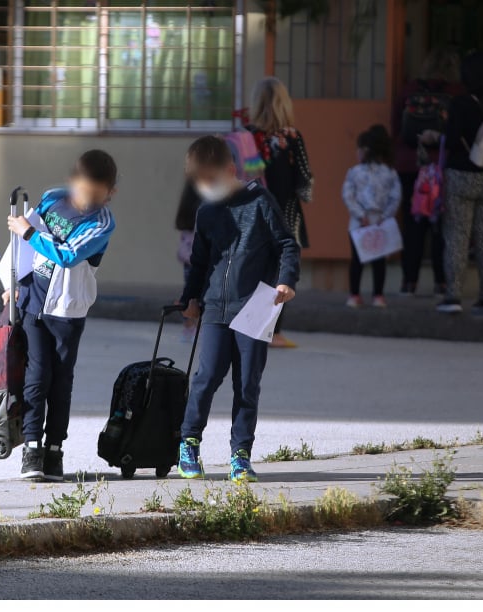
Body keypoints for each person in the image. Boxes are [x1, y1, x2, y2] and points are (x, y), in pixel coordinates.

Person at [177, 135, 300, 482]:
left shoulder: (260, 200)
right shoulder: (207, 211)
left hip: (256, 304)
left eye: (211, 179)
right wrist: (190, 298)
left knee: (247, 382)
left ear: (230, 170)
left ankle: (240, 455)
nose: (205, 187)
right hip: (216, 306)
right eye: (199, 182)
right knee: (206, 376)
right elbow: (198, 262)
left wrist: (286, 280)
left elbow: (287, 244)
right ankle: (188, 442)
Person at [6, 150, 118, 482]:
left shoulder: (101, 223)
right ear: (74, 182)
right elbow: (21, 243)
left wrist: (27, 232)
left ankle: (55, 450)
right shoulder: (53, 198)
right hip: (32, 301)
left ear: (109, 192)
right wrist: (10, 281)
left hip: (67, 310)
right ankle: (31, 448)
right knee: (36, 378)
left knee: (60, 383)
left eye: (97, 195)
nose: (88, 200)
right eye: (84, 191)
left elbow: (67, 256)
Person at [438, 52, 483, 314]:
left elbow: (449, 139)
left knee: (457, 236)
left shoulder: (459, 104)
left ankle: (453, 297)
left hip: (462, 176)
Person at [392, 48, 463, 296]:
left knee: (412, 224)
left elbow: (395, 125)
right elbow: (458, 132)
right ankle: (441, 282)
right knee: (442, 225)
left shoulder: (409, 89)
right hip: (442, 167)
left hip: (410, 164)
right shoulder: (455, 93)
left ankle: (408, 283)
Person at [249, 76, 312, 348]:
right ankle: (272, 331)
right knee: (282, 274)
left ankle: (247, 326)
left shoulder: (247, 135)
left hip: (251, 215)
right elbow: (305, 181)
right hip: (286, 214)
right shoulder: (292, 137)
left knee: (251, 271)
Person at [341, 125, 402, 308]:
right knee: (379, 261)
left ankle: (354, 295)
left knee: (356, 260)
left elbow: (347, 195)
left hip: (358, 222)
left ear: (364, 150)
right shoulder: (390, 173)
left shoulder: (354, 171)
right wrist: (385, 215)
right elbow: (395, 197)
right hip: (380, 221)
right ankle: (378, 296)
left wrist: (360, 215)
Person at [174, 180, 201, 339]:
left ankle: (189, 326)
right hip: (197, 259)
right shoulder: (203, 210)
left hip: (187, 258)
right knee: (196, 295)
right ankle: (192, 325)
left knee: (190, 292)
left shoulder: (187, 209)